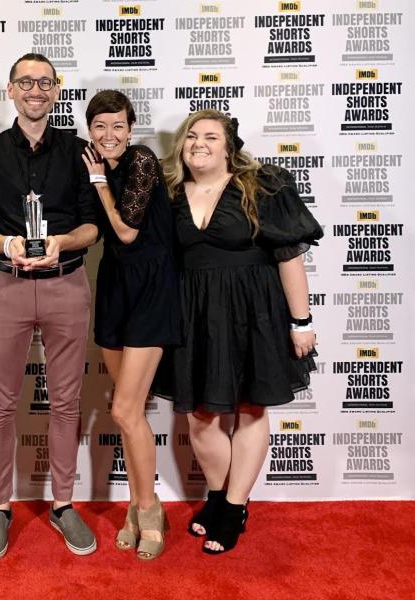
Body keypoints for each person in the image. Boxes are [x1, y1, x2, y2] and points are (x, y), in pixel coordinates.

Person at [155, 109, 322, 554]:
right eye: (191, 136)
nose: (198, 143)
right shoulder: (170, 193)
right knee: (201, 415)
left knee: (250, 408)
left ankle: (234, 506)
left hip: (254, 312)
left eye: (211, 136)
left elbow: (289, 258)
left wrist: (301, 321)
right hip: (193, 315)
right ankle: (216, 496)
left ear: (229, 147)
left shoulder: (261, 186)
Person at [0, 53, 99, 560]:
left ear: (57, 88)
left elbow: (92, 225)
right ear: (11, 90)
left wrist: (65, 241)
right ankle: (0, 507)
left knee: (65, 402)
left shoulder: (79, 151)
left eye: (45, 82)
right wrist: (3, 244)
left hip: (67, 284)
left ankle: (63, 504)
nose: (36, 90)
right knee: (0, 403)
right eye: (27, 82)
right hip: (8, 285)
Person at [81, 90, 181, 560]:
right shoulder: (94, 160)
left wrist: (99, 182)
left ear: (131, 126)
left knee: (122, 410)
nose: (109, 135)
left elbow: (125, 232)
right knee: (130, 412)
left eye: (117, 125)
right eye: (99, 126)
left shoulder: (140, 160)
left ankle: (147, 509)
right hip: (115, 287)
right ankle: (138, 508)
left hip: (152, 289)